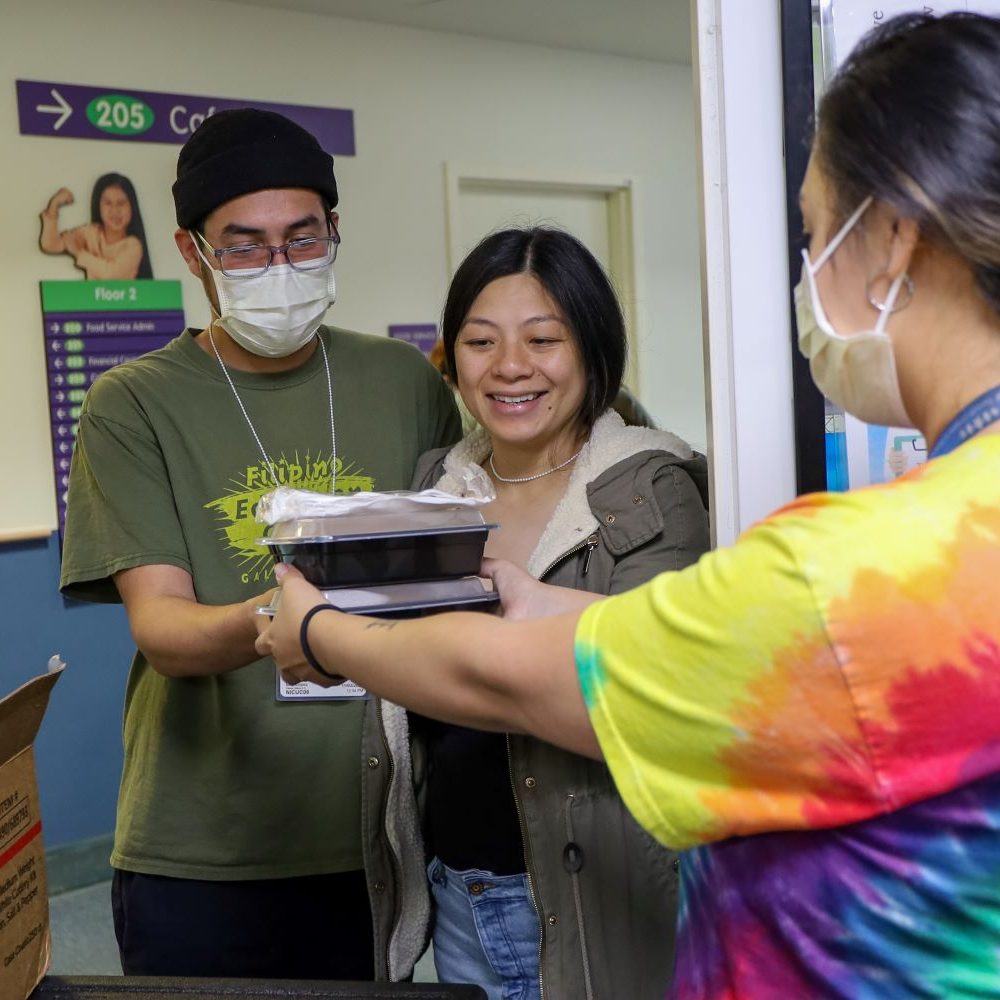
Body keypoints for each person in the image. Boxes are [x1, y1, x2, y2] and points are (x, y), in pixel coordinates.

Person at [256, 12, 1000, 998]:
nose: (807, 271)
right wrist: (536, 600)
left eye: (816, 234)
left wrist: (322, 628)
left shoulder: (869, 567)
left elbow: (527, 687)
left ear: (893, 241)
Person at [58, 109, 461, 980]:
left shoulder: (402, 384)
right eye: (242, 246)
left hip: (371, 829)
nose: (278, 267)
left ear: (333, 232)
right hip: (200, 848)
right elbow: (162, 630)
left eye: (301, 238)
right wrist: (297, 618)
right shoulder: (133, 403)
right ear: (192, 250)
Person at [363, 227, 709, 997]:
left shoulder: (651, 489)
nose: (511, 366)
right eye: (481, 341)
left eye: (543, 339)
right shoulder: (437, 486)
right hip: (457, 890)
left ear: (592, 348)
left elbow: (646, 699)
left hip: (586, 897)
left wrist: (334, 641)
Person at [40, 172, 152, 279]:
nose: (115, 211)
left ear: (132, 206)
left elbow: (110, 274)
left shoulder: (133, 245)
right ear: (98, 205)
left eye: (121, 203)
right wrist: (54, 206)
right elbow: (51, 244)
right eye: (108, 203)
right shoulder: (90, 233)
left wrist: (78, 252)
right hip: (90, 298)